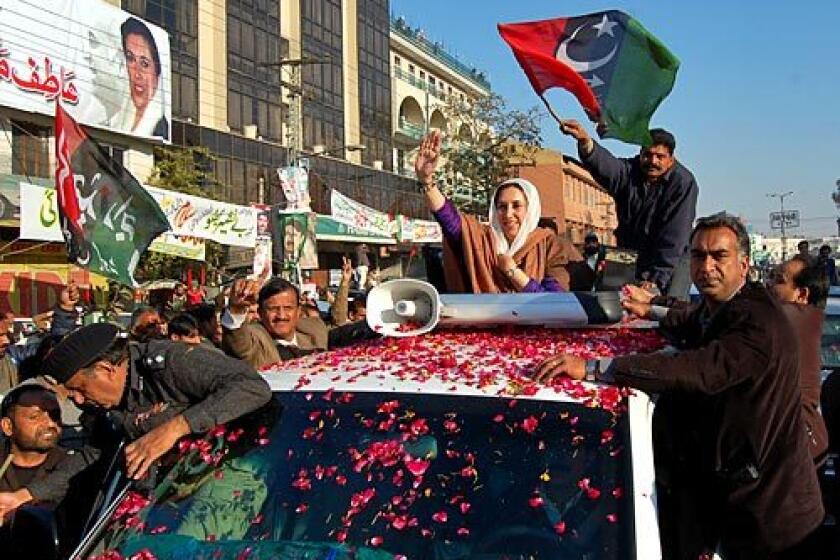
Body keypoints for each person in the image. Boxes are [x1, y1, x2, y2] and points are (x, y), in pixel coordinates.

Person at [535, 214, 824, 558]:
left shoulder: (758, 323)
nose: (707, 266)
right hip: (737, 505)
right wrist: (650, 309)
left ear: (744, 265)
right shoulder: (719, 308)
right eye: (699, 256)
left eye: (719, 256)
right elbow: (689, 316)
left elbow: (695, 370)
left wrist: (596, 368)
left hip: (776, 517)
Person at [41, 323, 272, 481]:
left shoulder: (170, 363)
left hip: (222, 478)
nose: (80, 400)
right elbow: (94, 454)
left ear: (106, 369)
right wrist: (26, 495)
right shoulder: (110, 403)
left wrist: (175, 428)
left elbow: (251, 386)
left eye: (80, 388)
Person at [415, 130, 582, 293]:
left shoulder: (551, 246)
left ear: (530, 209)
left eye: (516, 206)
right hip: (486, 321)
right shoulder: (484, 241)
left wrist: (513, 272)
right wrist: (426, 180)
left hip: (535, 321)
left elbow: (553, 303)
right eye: (502, 207)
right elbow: (451, 221)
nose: (508, 214)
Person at [560, 121, 698, 298]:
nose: (652, 161)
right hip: (630, 252)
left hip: (671, 261)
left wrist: (655, 280)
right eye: (647, 155)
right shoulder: (629, 172)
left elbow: (674, 237)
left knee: (669, 311)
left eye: (660, 157)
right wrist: (585, 142)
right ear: (640, 154)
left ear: (671, 159)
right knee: (613, 303)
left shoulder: (683, 183)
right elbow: (608, 167)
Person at [222, 278, 374, 368]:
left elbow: (346, 332)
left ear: (298, 311)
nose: (281, 316)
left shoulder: (314, 330)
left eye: (288, 308)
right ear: (261, 313)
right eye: (273, 309)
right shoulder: (256, 338)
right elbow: (238, 341)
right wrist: (236, 309)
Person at [765, 256, 830, 466]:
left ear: (801, 294)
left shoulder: (789, 318)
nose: (768, 284)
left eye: (778, 279)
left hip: (796, 449)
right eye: (770, 275)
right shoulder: (805, 321)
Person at [0, 385, 95, 522]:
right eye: (34, 417)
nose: (50, 423)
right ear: (8, 426)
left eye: (54, 415)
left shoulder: (73, 468)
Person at [113, 17, 168, 138]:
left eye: (144, 64)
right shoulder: (117, 119)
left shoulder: (159, 128)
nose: (137, 73)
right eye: (131, 58)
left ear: (157, 73)